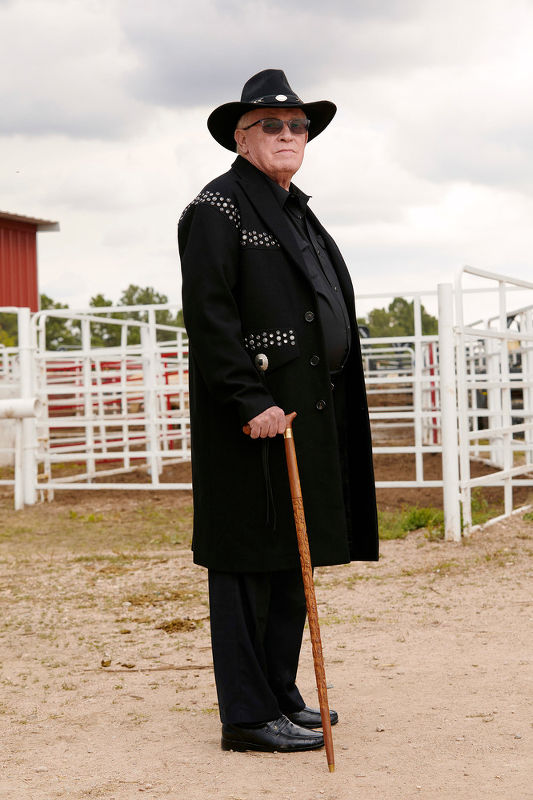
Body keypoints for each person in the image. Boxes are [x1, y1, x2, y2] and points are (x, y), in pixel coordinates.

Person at [178, 69, 378, 754]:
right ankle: (246, 715)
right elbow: (208, 315)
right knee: (245, 562)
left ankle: (281, 696)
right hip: (253, 417)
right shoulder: (219, 207)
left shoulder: (292, 207)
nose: (287, 135)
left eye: (297, 126)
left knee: (293, 555)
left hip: (307, 412)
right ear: (240, 135)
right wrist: (248, 397)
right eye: (271, 125)